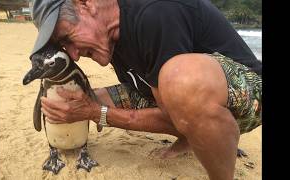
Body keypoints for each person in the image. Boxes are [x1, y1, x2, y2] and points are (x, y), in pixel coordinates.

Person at [30, 0, 262, 179]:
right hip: (180, 96)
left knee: (180, 79)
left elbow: (172, 111)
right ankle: (190, 138)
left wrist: (95, 113)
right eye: (63, 46)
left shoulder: (154, 12)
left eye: (67, 38)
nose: (73, 54)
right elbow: (156, 94)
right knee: (76, 98)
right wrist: (82, 106)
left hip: (247, 96)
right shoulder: (112, 34)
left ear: (85, 4)